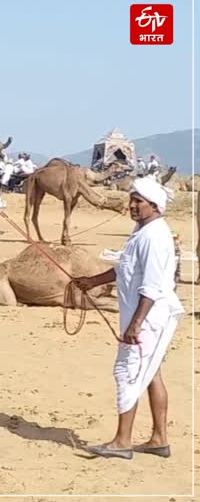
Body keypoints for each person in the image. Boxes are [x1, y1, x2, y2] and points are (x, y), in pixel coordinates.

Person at [72, 177, 184, 460]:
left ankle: (122, 442)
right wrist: (92, 281)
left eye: (139, 201)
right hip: (142, 315)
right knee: (150, 373)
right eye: (132, 200)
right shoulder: (142, 231)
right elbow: (125, 269)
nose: (132, 205)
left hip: (148, 317)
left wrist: (136, 324)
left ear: (154, 205)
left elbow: (153, 286)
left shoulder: (155, 237)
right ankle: (159, 440)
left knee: (128, 372)